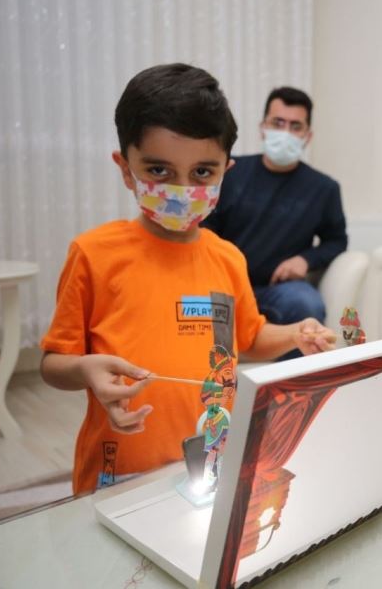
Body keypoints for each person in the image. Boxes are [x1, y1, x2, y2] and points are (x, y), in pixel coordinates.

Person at [39, 64, 335, 495]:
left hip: (208, 463)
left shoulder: (227, 258)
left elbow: (248, 339)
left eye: (201, 173)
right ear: (126, 169)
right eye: (159, 170)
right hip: (120, 469)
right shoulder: (93, 254)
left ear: (225, 172)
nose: (181, 189)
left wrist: (294, 334)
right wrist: (85, 369)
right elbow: (52, 364)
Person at [201, 87, 348, 343]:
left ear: (308, 136)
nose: (285, 132)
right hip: (223, 283)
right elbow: (203, 228)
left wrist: (305, 259)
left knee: (307, 304)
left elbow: (337, 240)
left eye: (295, 126)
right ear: (263, 127)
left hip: (277, 289)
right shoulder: (228, 172)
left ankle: (295, 372)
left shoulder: (324, 188)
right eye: (278, 123)